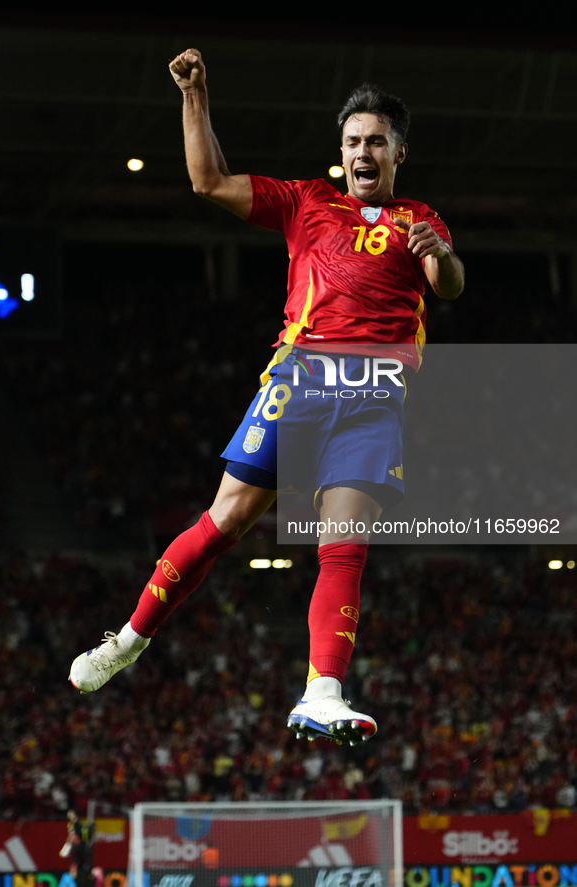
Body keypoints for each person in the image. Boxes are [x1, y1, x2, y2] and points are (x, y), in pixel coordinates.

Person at [70, 49, 464, 746]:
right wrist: (195, 94)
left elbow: (446, 285)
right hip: (299, 378)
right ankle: (128, 640)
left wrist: (439, 251)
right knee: (226, 520)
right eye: (352, 142)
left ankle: (321, 692)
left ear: (399, 151)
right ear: (340, 153)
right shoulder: (308, 200)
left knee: (343, 544)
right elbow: (207, 181)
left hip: (373, 394)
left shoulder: (418, 218)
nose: (362, 152)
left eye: (375, 141)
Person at [62, 810, 95, 887]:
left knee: (86, 868)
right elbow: (71, 836)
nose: (69, 816)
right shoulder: (71, 825)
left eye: (71, 814)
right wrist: (67, 847)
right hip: (77, 849)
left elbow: (88, 836)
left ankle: (89, 877)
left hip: (84, 849)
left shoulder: (82, 824)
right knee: (76, 866)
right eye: (68, 815)